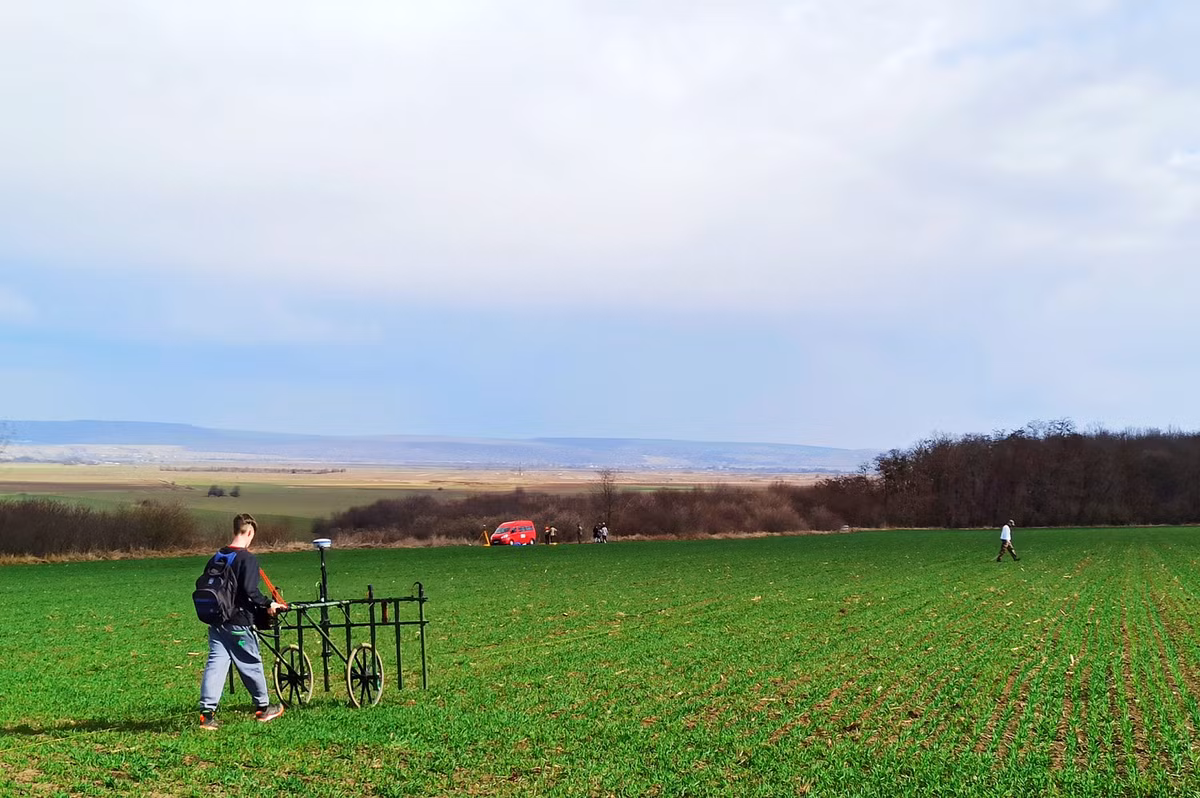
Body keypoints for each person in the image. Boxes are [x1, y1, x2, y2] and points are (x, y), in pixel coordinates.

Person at [198, 513, 286, 730]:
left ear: (234, 529)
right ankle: (264, 709)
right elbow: (250, 591)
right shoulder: (247, 559)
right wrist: (269, 604)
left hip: (216, 622)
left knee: (216, 665)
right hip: (238, 622)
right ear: (250, 532)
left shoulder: (218, 556)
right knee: (250, 662)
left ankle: (207, 715)